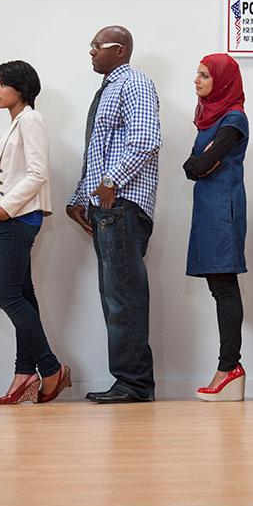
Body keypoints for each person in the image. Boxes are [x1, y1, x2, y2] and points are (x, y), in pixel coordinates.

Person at [66, 26, 161, 404]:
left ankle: (135, 384)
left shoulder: (134, 83)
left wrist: (111, 181)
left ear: (119, 50)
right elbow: (98, 150)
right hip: (106, 208)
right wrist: (79, 198)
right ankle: (128, 380)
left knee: (124, 297)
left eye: (97, 46)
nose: (91, 51)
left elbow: (146, 139)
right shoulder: (107, 89)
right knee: (114, 296)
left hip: (122, 206)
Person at [0, 60, 71, 404]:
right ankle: (24, 373)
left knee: (6, 295)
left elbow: (37, 172)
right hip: (7, 217)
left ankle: (50, 369)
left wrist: (4, 207)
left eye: (1, 84)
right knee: (21, 293)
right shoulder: (16, 122)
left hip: (16, 218)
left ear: (20, 88)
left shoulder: (31, 120)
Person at [182, 54, 249, 402]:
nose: (197, 80)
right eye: (198, 74)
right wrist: (198, 164)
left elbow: (202, 163)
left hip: (223, 208)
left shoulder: (233, 118)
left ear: (222, 81)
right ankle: (228, 367)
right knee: (217, 285)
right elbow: (195, 165)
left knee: (224, 285)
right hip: (210, 207)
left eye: (205, 75)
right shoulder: (209, 118)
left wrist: (199, 163)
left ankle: (229, 368)